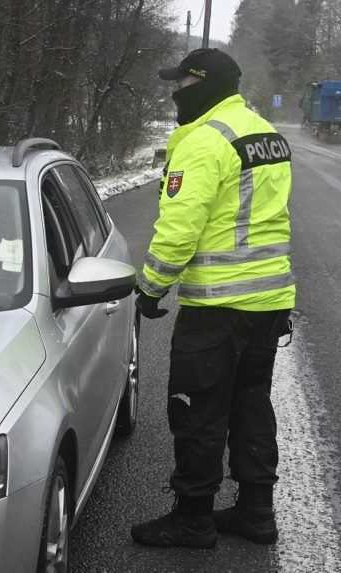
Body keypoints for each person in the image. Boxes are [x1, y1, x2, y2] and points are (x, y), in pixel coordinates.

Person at [130, 48, 295, 549]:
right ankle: (256, 513)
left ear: (201, 83)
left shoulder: (205, 141)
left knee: (198, 412)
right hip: (268, 302)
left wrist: (152, 286)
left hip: (218, 307)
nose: (174, 93)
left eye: (179, 84)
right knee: (251, 406)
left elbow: (180, 229)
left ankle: (193, 520)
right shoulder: (265, 133)